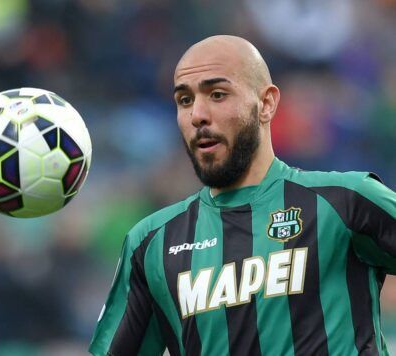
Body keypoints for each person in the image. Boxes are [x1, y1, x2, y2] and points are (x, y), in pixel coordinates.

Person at [89, 35, 396, 355]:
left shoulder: (345, 201)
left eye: (217, 94)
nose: (197, 115)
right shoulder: (151, 244)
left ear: (266, 103)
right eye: (184, 100)